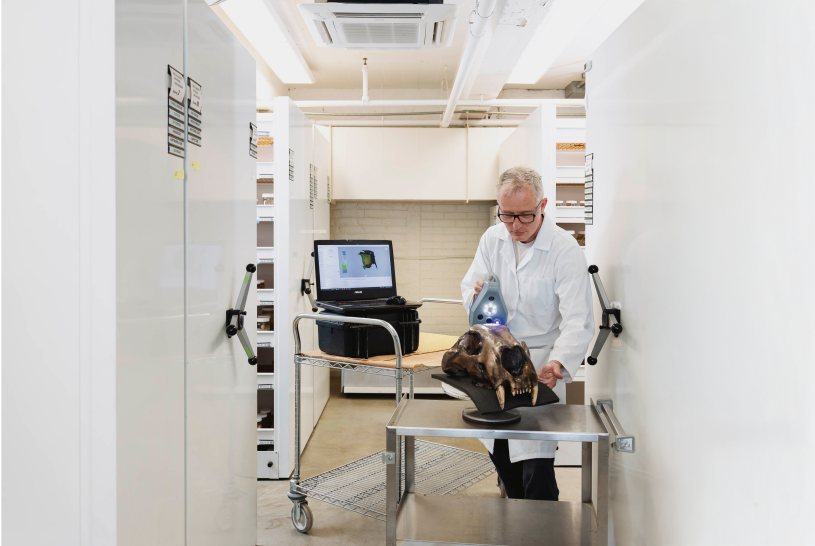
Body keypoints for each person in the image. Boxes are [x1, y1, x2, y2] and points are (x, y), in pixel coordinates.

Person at [460, 166, 595, 501]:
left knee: (536, 462)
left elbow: (578, 319)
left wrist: (559, 362)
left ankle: (544, 531)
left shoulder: (564, 250)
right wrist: (476, 294)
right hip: (495, 357)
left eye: (524, 216)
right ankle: (518, 523)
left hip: (540, 364)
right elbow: (469, 289)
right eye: (506, 215)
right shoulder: (492, 239)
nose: (515, 225)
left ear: (543, 205)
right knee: (501, 452)